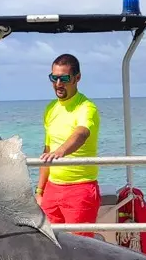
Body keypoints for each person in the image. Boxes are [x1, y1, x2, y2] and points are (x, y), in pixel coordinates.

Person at [37, 53, 101, 237]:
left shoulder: (86, 107)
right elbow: (47, 150)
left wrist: (61, 151)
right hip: (52, 189)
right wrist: (40, 191)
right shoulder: (51, 109)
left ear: (77, 78)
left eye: (64, 78)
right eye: (54, 78)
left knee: (80, 247)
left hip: (80, 188)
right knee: (49, 243)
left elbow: (81, 133)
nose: (58, 84)